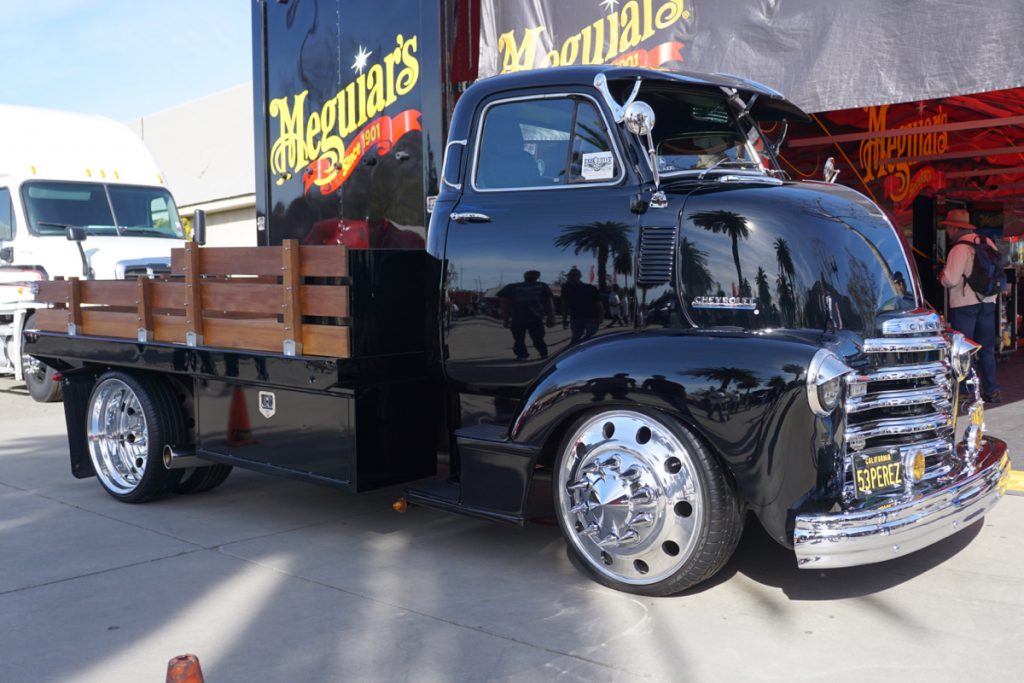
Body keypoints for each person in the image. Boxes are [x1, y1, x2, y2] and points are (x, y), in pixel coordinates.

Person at [939, 208, 1002, 403]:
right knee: (987, 349)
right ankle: (991, 390)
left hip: (964, 305)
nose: (948, 232)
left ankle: (967, 390)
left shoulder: (959, 249)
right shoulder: (987, 243)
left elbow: (950, 279)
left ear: (956, 228)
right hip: (988, 303)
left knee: (964, 350)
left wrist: (940, 275)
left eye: (949, 228)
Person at [498, 270, 555, 360]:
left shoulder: (541, 286)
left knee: (534, 338)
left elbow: (548, 302)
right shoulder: (513, 287)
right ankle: (530, 354)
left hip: (530, 318)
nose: (532, 277)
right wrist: (550, 316)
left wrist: (551, 316)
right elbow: (505, 302)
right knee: (525, 339)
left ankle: (539, 353)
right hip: (522, 318)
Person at [561, 267, 603, 344]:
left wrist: (600, 317)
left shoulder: (590, 288)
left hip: (591, 317)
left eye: (573, 275)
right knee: (575, 339)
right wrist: (564, 319)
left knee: (590, 338)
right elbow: (565, 304)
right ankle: (572, 352)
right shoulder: (566, 289)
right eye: (569, 275)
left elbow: (599, 303)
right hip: (576, 317)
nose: (570, 277)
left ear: (580, 276)